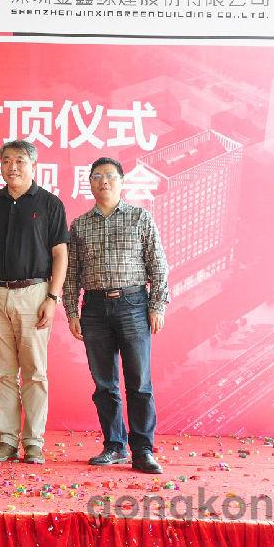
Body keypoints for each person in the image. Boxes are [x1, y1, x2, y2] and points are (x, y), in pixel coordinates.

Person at [63, 157, 169, 474]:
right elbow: (71, 273)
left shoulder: (140, 218)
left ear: (122, 182)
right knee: (104, 384)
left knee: (139, 383)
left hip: (133, 305)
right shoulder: (80, 225)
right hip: (94, 309)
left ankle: (143, 450)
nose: (104, 182)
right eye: (97, 176)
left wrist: (157, 306)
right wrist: (72, 311)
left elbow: (158, 265)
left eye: (110, 176)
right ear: (90, 184)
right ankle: (114, 445)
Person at [0, 140, 68, 464]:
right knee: (2, 372)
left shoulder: (49, 204)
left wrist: (52, 298)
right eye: (6, 161)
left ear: (33, 165)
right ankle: (6, 440)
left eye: (19, 160)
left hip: (34, 293)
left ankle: (33, 442)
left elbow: (60, 254)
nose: (12, 167)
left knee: (34, 372)